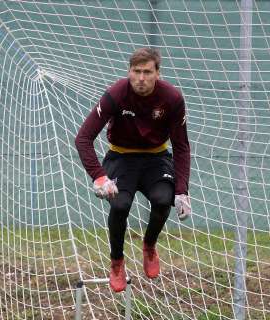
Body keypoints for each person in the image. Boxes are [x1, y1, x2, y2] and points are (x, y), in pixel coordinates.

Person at [74, 47, 191, 292]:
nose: (140, 78)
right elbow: (83, 138)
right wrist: (99, 177)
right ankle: (116, 261)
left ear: (158, 73)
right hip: (121, 157)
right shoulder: (116, 94)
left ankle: (149, 246)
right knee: (120, 205)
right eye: (136, 71)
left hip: (156, 157)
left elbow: (181, 147)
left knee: (163, 199)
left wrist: (182, 190)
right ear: (129, 71)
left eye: (147, 72)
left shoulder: (172, 99)